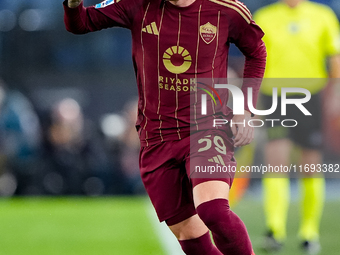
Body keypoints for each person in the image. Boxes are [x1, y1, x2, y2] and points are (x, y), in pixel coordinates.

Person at [63, 0, 266, 254]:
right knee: (189, 234)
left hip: (206, 127)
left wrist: (244, 109)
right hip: (157, 136)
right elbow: (81, 23)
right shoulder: (137, 4)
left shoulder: (226, 9)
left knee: (213, 211)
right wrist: (72, 4)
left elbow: (256, 51)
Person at [254, 0, 340, 253]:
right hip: (275, 97)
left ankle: (309, 232)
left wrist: (335, 93)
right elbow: (255, 58)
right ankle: (275, 230)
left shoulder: (322, 15)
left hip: (310, 96)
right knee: (276, 163)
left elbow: (334, 55)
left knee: (310, 165)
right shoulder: (265, 17)